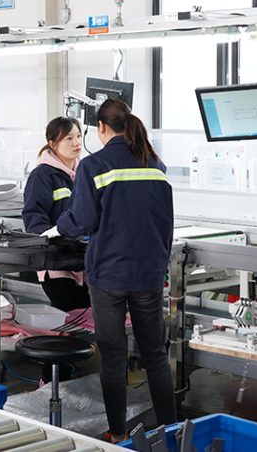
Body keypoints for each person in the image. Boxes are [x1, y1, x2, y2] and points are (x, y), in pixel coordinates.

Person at [52, 99, 177, 443]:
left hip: (109, 275)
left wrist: (59, 226)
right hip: (149, 273)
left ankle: (118, 434)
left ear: (102, 128)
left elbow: (82, 220)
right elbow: (166, 221)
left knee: (113, 357)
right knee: (155, 355)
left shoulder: (94, 165)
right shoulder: (155, 163)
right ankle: (172, 432)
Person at [22, 117, 90, 311]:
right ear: (53, 144)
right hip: (57, 265)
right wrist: (59, 243)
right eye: (69, 138)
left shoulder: (86, 172)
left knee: (88, 319)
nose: (76, 143)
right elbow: (34, 217)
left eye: (78, 136)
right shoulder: (42, 175)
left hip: (85, 262)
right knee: (69, 315)